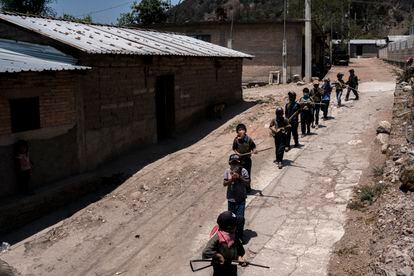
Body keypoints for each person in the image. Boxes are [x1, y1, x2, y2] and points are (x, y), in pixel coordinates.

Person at [202, 211, 247, 276]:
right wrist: (218, 256)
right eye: (235, 225)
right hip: (220, 270)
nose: (237, 226)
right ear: (229, 228)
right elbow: (206, 252)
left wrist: (239, 258)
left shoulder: (234, 235)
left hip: (232, 268)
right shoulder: (217, 238)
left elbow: (240, 250)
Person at [223, 154, 250, 242]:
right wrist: (231, 180)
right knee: (231, 219)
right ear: (230, 164)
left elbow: (247, 182)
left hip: (241, 199)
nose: (234, 166)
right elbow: (224, 183)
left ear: (240, 164)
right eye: (232, 164)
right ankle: (232, 235)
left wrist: (239, 177)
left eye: (236, 164)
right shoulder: (227, 171)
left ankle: (240, 235)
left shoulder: (244, 171)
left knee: (240, 218)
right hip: (231, 199)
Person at [232, 124, 257, 193]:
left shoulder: (249, 139)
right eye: (239, 130)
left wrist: (254, 150)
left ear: (245, 131)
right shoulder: (236, 140)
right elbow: (234, 148)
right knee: (239, 174)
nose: (241, 131)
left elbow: (253, 147)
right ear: (237, 132)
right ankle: (241, 188)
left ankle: (248, 188)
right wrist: (237, 153)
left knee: (247, 174)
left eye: (242, 129)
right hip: (239, 161)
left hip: (247, 160)